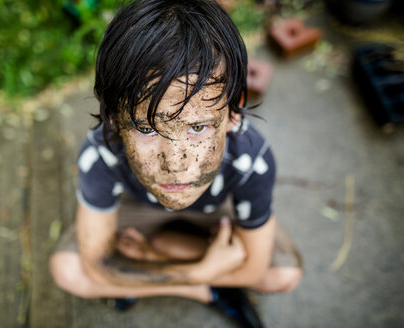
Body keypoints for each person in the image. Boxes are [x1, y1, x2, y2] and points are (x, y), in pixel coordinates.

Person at [50, 0, 302, 326]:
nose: (175, 164)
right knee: (68, 271)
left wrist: (150, 262)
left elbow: (254, 267)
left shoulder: (251, 158)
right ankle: (207, 291)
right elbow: (97, 263)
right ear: (113, 119)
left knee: (283, 274)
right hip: (138, 211)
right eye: (146, 127)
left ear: (233, 114)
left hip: (217, 215)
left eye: (198, 127)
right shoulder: (101, 152)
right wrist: (198, 275)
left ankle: (151, 264)